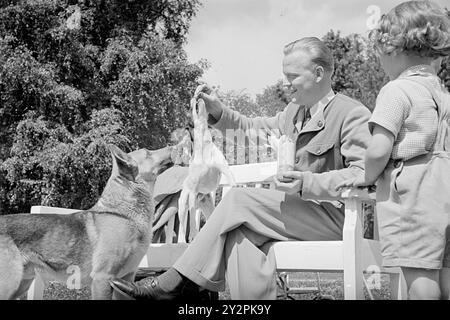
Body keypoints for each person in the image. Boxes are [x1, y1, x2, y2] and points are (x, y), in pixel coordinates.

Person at [110, 37, 372, 300]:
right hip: (294, 216)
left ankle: (175, 284)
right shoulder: (294, 112)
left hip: (336, 218)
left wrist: (306, 182)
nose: (285, 82)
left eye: (292, 75)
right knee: (238, 233)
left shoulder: (351, 114)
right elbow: (250, 131)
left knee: (237, 199)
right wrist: (218, 111)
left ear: (318, 74)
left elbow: (363, 173)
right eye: (284, 75)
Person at [336, 1, 450, 300]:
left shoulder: (396, 91)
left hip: (415, 194)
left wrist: (366, 176)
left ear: (393, 50)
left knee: (420, 275)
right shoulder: (444, 95)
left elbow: (378, 150)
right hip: (446, 189)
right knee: (446, 273)